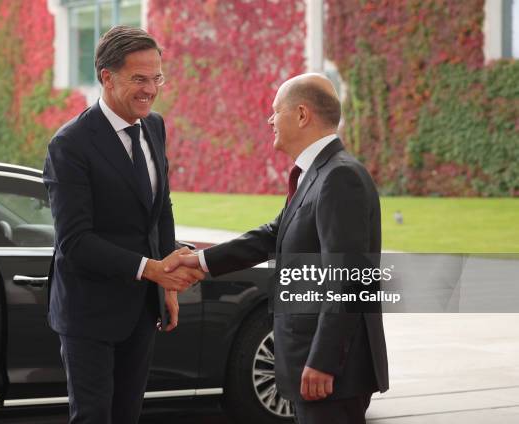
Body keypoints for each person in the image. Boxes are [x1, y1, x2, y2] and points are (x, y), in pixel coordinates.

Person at [167, 73, 389, 423]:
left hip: (331, 372)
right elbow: (275, 234)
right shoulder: (317, 174)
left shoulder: (339, 177)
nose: (270, 120)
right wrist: (201, 260)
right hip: (310, 363)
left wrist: (323, 360)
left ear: (302, 114)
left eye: (275, 111)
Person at [43, 26, 204, 424]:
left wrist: (166, 283)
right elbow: (75, 241)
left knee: (127, 415)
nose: (150, 89)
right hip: (89, 313)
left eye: (157, 78)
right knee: (95, 417)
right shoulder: (70, 145)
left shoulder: (155, 126)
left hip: (140, 309)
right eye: (139, 79)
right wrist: (150, 270)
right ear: (107, 77)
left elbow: (160, 207)